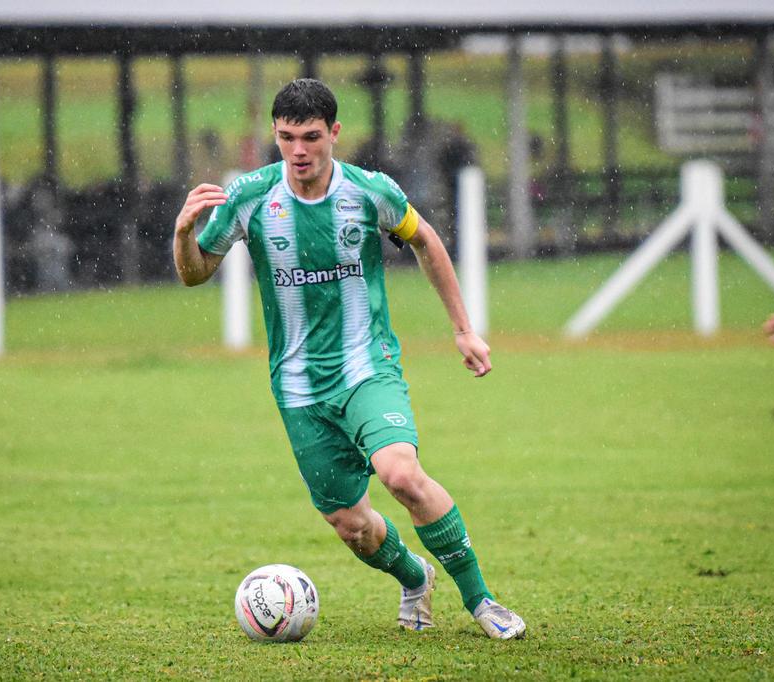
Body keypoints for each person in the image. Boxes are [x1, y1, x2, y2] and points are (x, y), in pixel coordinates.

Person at [173, 79, 525, 640]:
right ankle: (415, 578)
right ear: (275, 135)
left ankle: (482, 602)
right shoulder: (251, 198)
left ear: (334, 133)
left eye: (311, 137)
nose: (299, 151)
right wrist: (183, 232)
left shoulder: (369, 191)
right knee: (350, 524)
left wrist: (463, 330)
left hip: (367, 367)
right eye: (287, 138)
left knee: (401, 475)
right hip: (297, 388)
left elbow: (426, 241)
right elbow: (194, 273)